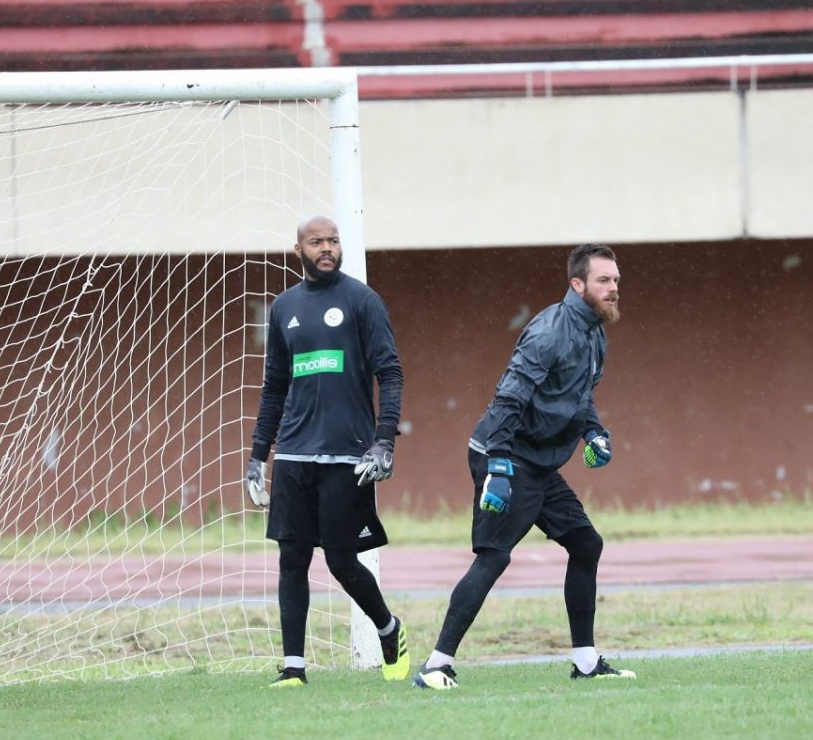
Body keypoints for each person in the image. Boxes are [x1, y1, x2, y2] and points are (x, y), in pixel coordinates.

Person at [413, 243, 635, 689]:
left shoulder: (594, 333)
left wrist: (594, 431)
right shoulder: (550, 332)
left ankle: (586, 662)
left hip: (537, 462)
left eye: (615, 281)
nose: (613, 289)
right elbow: (508, 398)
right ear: (578, 284)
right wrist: (497, 466)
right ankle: (435, 666)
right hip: (506, 453)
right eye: (603, 281)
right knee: (494, 557)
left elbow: (579, 395)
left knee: (586, 544)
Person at [246, 214, 408, 687]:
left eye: (333, 241)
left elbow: (391, 373)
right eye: (316, 242)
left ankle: (389, 628)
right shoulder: (284, 308)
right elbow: (274, 386)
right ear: (298, 249)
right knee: (291, 558)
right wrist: (259, 455)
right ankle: (294, 668)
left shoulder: (362, 300)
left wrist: (384, 442)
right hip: (294, 455)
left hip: (349, 455)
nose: (327, 248)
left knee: (340, 561)